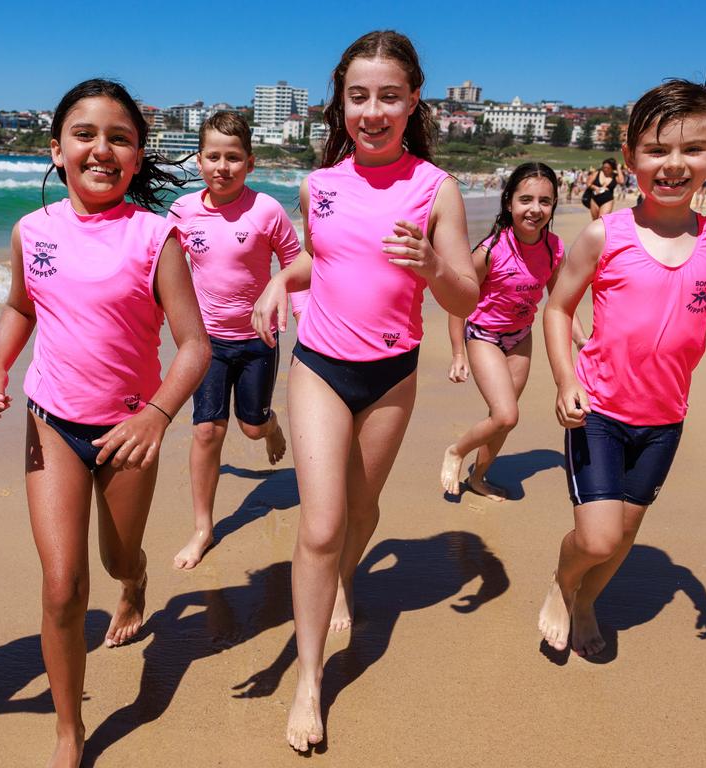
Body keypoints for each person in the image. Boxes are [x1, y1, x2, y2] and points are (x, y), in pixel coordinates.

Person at [0, 79, 209, 768]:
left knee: (115, 559)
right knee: (63, 587)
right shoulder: (32, 230)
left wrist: (159, 416)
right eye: (85, 134)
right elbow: (22, 306)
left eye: (120, 138)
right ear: (57, 148)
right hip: (52, 423)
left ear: (137, 158)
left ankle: (135, 583)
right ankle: (69, 727)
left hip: (130, 431)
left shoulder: (154, 235)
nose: (101, 149)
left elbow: (195, 345)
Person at [251, 31, 477, 752]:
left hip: (392, 374)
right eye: (358, 97)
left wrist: (432, 270)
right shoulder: (319, 185)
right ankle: (310, 679)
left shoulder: (433, 187)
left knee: (362, 508)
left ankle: (345, 577)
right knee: (319, 525)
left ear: (413, 101)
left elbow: (465, 292)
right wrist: (274, 282)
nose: (372, 111)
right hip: (319, 364)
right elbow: (322, 260)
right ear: (339, 105)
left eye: (387, 97)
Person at [538, 79, 706, 657]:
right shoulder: (603, 236)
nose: (674, 164)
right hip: (601, 410)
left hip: (665, 419)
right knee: (597, 535)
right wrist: (565, 380)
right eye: (658, 150)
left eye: (693, 149)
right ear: (631, 157)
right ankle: (563, 586)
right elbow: (558, 308)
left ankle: (588, 603)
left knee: (625, 535)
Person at [170, 111, 303, 570]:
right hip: (205, 342)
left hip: (257, 338)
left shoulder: (266, 210)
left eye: (232, 157)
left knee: (249, 426)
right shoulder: (183, 211)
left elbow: (295, 264)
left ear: (249, 162)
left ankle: (269, 424)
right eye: (212, 156)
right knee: (207, 430)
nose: (221, 166)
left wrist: (305, 321)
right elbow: (158, 270)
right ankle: (203, 528)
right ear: (199, 160)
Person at [441, 163, 587, 499]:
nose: (535, 209)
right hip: (484, 337)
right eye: (526, 199)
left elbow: (561, 302)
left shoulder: (553, 248)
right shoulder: (491, 251)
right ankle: (456, 451)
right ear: (509, 203)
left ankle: (478, 478)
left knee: (500, 418)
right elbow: (457, 300)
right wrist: (458, 353)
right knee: (507, 415)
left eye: (545, 201)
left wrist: (581, 339)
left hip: (521, 337)